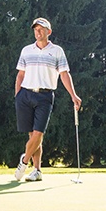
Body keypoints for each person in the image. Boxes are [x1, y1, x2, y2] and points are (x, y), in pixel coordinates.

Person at [14, 17, 82, 182]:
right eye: (35, 29)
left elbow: (64, 74)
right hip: (25, 95)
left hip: (45, 96)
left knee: (38, 133)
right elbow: (20, 74)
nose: (38, 32)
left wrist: (73, 95)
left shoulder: (57, 51)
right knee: (32, 135)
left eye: (41, 29)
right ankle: (37, 170)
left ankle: (24, 161)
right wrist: (17, 95)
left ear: (48, 32)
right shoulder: (26, 50)